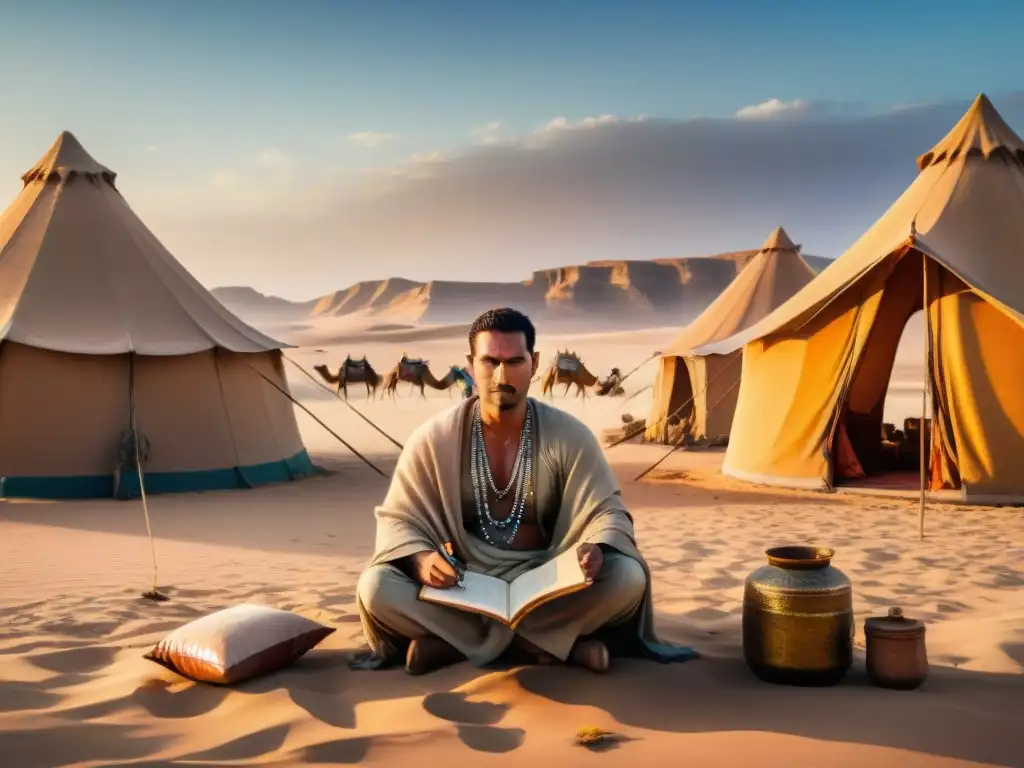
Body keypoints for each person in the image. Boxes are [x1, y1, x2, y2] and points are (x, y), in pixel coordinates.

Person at [351, 308, 696, 675]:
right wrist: (419, 560)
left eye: (515, 361)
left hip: (549, 581)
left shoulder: (569, 435)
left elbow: (607, 509)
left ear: (533, 363)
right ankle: (549, 647)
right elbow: (398, 518)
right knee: (376, 587)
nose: (502, 375)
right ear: (470, 365)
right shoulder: (435, 439)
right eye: (490, 362)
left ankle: (455, 646)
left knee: (627, 577)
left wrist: (597, 547)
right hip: (465, 584)